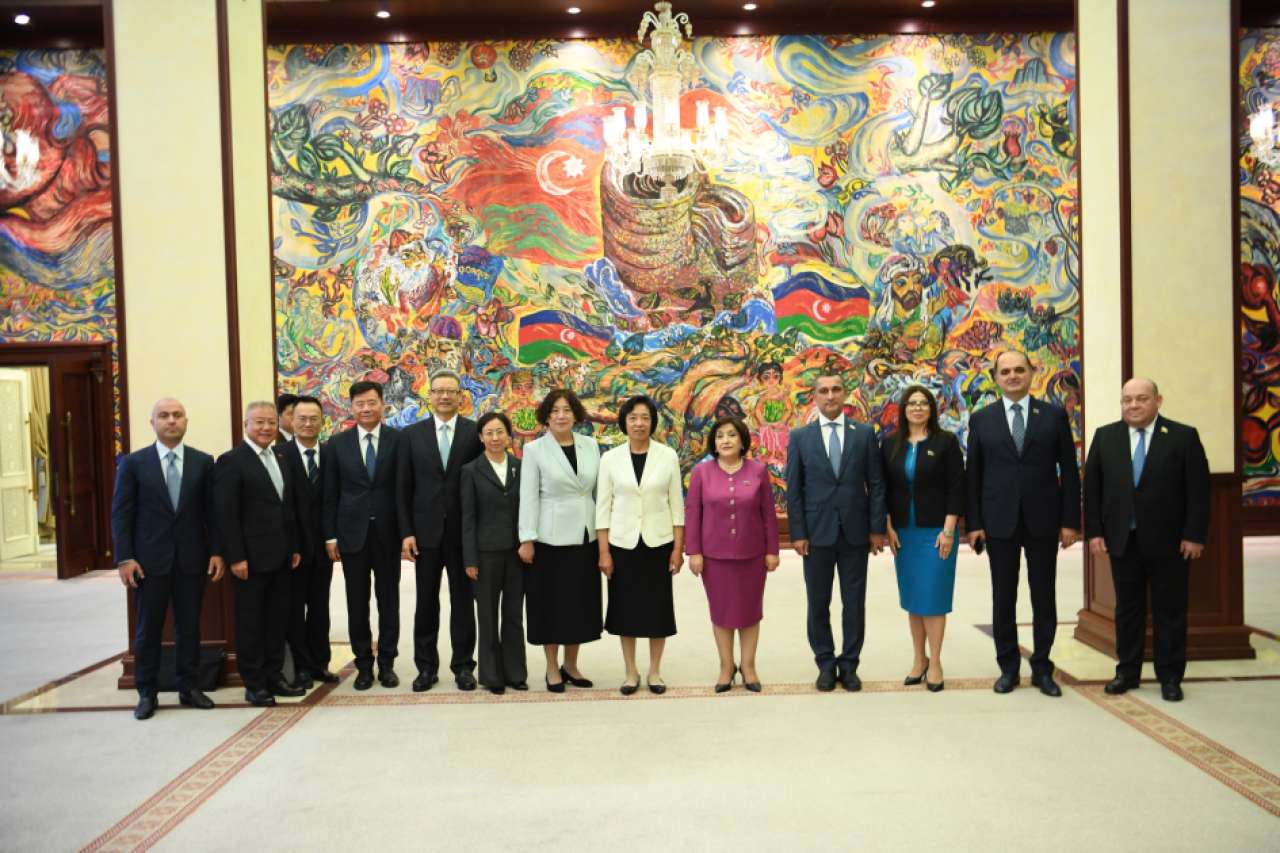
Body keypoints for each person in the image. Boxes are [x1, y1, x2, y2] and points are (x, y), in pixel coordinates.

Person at [1084, 378, 1209, 702]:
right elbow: (1093, 490)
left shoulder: (1183, 437)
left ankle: (1170, 676)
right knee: (1128, 609)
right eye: (1127, 400)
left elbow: (1198, 492)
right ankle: (1127, 672)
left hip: (1171, 543)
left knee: (1170, 610)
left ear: (1158, 401)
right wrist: (1094, 532)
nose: (1133, 405)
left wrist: (1194, 535)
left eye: (1141, 399)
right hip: (1122, 540)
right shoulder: (1105, 437)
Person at [966, 350, 1081, 697]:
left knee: (1043, 596)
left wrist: (1070, 521)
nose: (1013, 376)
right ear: (996, 378)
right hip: (998, 521)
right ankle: (1009, 668)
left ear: (1032, 373)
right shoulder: (982, 419)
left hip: (1043, 520)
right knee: (1003, 597)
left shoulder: (1053, 416)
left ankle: (1043, 669)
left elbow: (1069, 472)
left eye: (1019, 370)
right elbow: (974, 475)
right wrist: (975, 523)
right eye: (1006, 372)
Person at [111, 398, 223, 720]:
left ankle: (189, 687)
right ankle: (147, 693)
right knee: (148, 630)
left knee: (189, 628)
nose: (171, 421)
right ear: (153, 423)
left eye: (177, 415)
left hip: (192, 560)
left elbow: (212, 513)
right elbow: (121, 514)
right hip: (148, 563)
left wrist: (216, 551)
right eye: (164, 416)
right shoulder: (134, 463)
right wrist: (125, 558)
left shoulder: (203, 462)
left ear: (186, 421)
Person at [784, 370, 887, 692]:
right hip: (816, 534)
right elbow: (794, 490)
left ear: (845, 394)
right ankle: (826, 664)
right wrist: (798, 533)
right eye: (824, 391)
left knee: (854, 603)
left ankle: (850, 664)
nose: (830, 395)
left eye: (836, 389)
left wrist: (876, 529)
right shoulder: (800, 437)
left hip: (856, 533)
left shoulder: (863, 434)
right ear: (815, 397)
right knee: (818, 603)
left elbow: (876, 484)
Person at [398, 369, 483, 692]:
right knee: (426, 603)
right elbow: (403, 488)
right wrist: (407, 532)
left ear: (461, 396)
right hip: (425, 534)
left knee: (463, 603)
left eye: (451, 391)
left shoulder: (474, 432)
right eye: (438, 391)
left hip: (463, 535)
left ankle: (463, 667)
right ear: (429, 395)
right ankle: (426, 668)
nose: (444, 396)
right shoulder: (411, 435)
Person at [215, 401, 304, 707]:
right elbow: (226, 514)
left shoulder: (281, 456)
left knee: (277, 621)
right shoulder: (231, 461)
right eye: (259, 422)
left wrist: (294, 547)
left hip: (282, 557)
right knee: (251, 624)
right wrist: (235, 557)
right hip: (249, 561)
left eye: (271, 422)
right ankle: (254, 683)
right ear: (246, 425)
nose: (266, 428)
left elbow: (287, 507)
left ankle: (274, 676)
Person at [596, 395, 685, 695]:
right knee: (626, 610)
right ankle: (630, 671)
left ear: (652, 422)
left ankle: (655, 671)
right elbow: (603, 508)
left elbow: (676, 506)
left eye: (645, 417)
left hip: (658, 543)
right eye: (633, 417)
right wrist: (604, 552)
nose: (639, 423)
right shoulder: (610, 459)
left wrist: (678, 549)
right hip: (622, 544)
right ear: (624, 422)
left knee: (657, 610)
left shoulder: (667, 456)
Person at [685, 416, 779, 692]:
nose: (725, 440)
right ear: (714, 443)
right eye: (720, 436)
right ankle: (726, 667)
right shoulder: (701, 472)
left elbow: (768, 515)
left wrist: (772, 550)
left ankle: (748, 667)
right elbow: (693, 514)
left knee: (750, 612)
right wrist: (694, 551)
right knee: (721, 613)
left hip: (752, 556)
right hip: (714, 557)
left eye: (731, 435)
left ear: (742, 440)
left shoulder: (758, 471)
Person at [881, 385, 964, 693]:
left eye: (923, 403)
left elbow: (956, 488)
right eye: (911, 403)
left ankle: (937, 661)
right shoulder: (891, 444)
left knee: (933, 598)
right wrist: (888, 525)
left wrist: (949, 530)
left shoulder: (946, 442)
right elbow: (883, 488)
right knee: (914, 598)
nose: (917, 408)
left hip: (937, 532)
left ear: (931, 409)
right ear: (903, 410)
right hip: (904, 532)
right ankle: (919, 658)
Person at [518, 389, 602, 692]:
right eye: (554, 411)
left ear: (575, 414)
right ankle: (552, 667)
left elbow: (598, 492)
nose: (561, 416)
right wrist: (527, 538)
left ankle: (571, 664)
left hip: (585, 535)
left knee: (578, 603)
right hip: (548, 539)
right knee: (550, 605)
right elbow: (528, 496)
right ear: (546, 416)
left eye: (566, 410)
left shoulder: (591, 445)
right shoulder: (535, 450)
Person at [324, 380, 403, 691]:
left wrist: (406, 532)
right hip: (351, 535)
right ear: (351, 407)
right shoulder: (337, 444)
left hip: (388, 533)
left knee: (389, 601)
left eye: (372, 402)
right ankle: (364, 666)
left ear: (382, 404)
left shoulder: (399, 440)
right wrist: (330, 536)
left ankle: (387, 664)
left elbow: (404, 489)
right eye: (360, 404)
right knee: (357, 603)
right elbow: (330, 494)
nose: (366, 408)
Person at [461, 412, 527, 695]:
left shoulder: (520, 467)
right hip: (485, 555)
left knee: (513, 615)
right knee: (487, 617)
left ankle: (515, 673)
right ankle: (491, 676)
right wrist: (470, 559)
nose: (495, 438)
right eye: (489, 433)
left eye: (500, 432)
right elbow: (468, 518)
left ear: (508, 435)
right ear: (481, 437)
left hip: (516, 554)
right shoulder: (470, 471)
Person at [276, 394, 338, 687]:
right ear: (291, 421)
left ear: (322, 422)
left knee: (320, 608)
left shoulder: (331, 454)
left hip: (324, 547)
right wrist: (290, 545)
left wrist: (333, 537)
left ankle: (319, 664)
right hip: (293, 550)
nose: (308, 423)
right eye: (301, 418)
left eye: (314, 419)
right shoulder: (278, 455)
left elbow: (334, 500)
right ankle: (301, 667)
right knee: (293, 610)